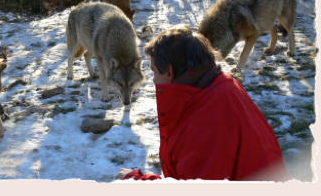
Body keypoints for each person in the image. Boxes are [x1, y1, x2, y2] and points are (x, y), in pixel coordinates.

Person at [117, 24, 289, 181]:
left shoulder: (206, 122)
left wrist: (135, 180)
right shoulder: (219, 87)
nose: (153, 80)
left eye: (154, 72)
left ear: (169, 72)